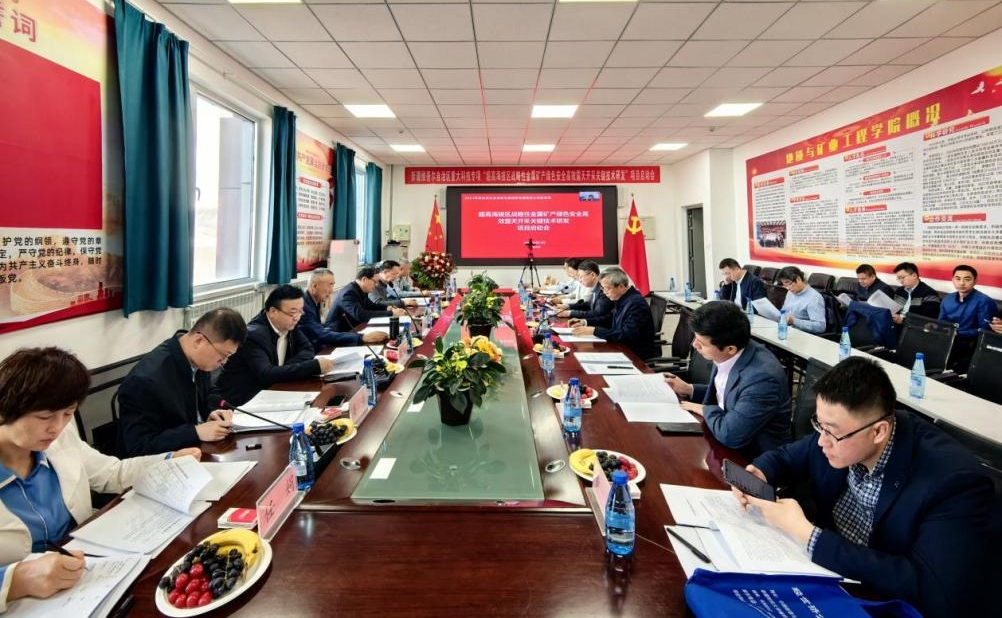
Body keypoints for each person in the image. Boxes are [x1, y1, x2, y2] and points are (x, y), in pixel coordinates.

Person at [731, 357, 997, 618]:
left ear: (879, 431)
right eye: (819, 425)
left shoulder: (953, 483)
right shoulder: (841, 433)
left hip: (885, 599)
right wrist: (758, 474)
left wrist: (808, 534)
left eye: (831, 431)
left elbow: (930, 590)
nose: (822, 441)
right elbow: (784, 458)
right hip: (834, 574)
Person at [0, 348, 201, 611]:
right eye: (45, 417)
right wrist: (14, 581)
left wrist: (169, 460)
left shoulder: (59, 438)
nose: (57, 427)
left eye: (68, 414)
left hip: (87, 576)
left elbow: (111, 473)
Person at [664, 302, 791, 457]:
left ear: (730, 349)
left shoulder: (762, 379)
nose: (694, 345)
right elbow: (729, 393)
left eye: (701, 343)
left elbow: (730, 435)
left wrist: (703, 409)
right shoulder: (729, 351)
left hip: (752, 457)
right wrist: (689, 389)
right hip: (722, 438)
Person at [117, 308, 247, 456]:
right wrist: (195, 432)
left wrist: (213, 412)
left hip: (196, 449)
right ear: (199, 341)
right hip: (165, 461)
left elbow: (209, 394)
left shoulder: (197, 359)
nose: (224, 362)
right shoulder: (144, 381)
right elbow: (139, 445)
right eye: (223, 355)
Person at [212, 285, 335, 407]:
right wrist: (313, 366)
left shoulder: (289, 324)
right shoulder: (253, 335)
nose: (297, 317)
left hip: (271, 392)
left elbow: (307, 348)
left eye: (300, 311)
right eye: (293, 312)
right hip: (240, 402)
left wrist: (283, 370)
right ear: (273, 312)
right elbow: (266, 374)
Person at [570, 268, 658, 360]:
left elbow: (627, 334)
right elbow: (610, 318)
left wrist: (595, 331)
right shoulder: (623, 297)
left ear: (621, 286)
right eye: (603, 288)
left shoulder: (636, 304)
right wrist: (585, 322)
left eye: (607, 288)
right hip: (620, 348)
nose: (604, 292)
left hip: (635, 355)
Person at [300, 268, 389, 349]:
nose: (331, 290)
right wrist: (362, 337)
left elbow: (370, 305)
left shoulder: (313, 300)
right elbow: (320, 334)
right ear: (314, 286)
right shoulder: (303, 306)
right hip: (329, 338)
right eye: (329, 285)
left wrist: (389, 309)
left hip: (333, 336)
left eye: (333, 285)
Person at [938, 264, 997, 372]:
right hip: (949, 340)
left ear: (975, 281)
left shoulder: (985, 301)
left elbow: (985, 331)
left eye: (967, 279)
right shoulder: (947, 299)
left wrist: (957, 333)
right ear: (952, 280)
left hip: (971, 345)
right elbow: (941, 322)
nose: (961, 283)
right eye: (958, 279)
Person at [325, 266, 407, 333]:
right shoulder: (348, 293)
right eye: (374, 282)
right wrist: (391, 313)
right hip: (339, 333)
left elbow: (371, 305)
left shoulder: (360, 289)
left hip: (355, 328)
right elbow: (360, 315)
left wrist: (387, 308)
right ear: (364, 279)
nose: (376, 285)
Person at [777, 266, 826, 334]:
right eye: (784, 285)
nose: (787, 288)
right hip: (786, 329)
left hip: (801, 334)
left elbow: (820, 327)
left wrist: (794, 321)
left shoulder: (814, 297)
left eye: (789, 284)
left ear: (798, 279)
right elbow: (784, 311)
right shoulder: (790, 292)